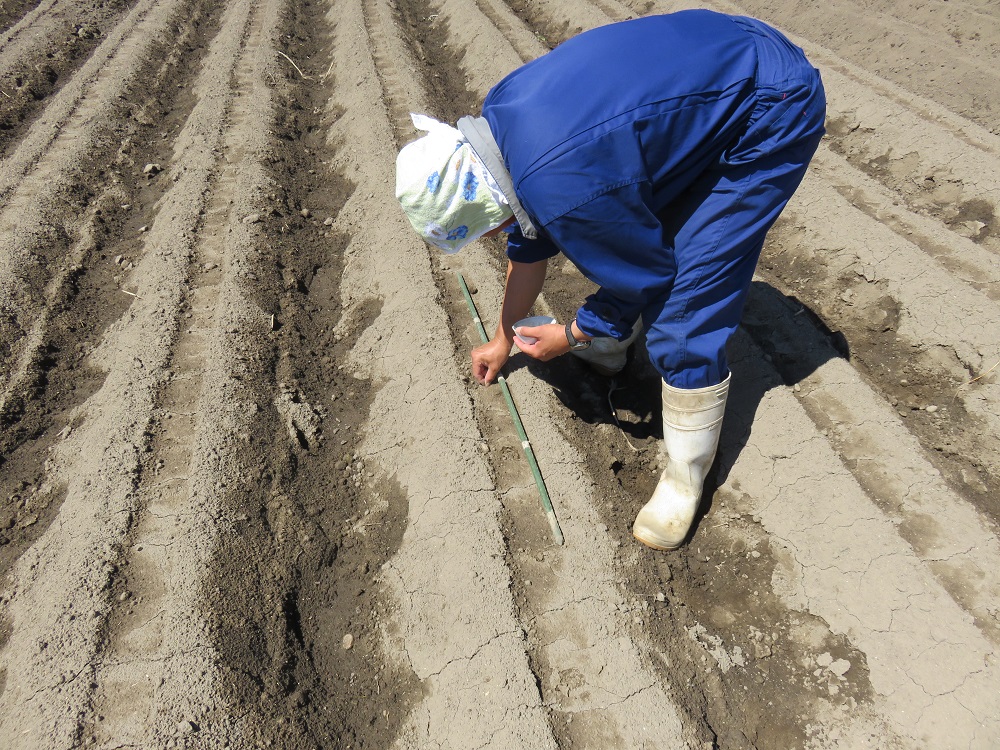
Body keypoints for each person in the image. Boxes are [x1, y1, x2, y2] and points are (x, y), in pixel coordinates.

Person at [395, 10, 826, 550]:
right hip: (719, 51)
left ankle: (685, 476)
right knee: (639, 223)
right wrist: (505, 337)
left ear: (483, 200)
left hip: (769, 107)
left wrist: (572, 334)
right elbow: (528, 241)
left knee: (686, 303)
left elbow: (644, 272)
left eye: (485, 228)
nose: (495, 234)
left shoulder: (566, 188)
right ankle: (613, 343)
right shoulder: (501, 126)